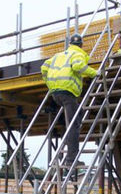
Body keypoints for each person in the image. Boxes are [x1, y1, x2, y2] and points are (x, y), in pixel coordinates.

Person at [41, 33, 98, 166]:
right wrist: (94, 73)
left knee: (75, 116)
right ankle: (71, 160)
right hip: (68, 92)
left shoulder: (58, 55)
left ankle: (68, 153)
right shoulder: (78, 54)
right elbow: (78, 66)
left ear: (70, 44)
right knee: (73, 125)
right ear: (81, 45)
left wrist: (49, 83)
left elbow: (43, 67)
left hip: (56, 93)